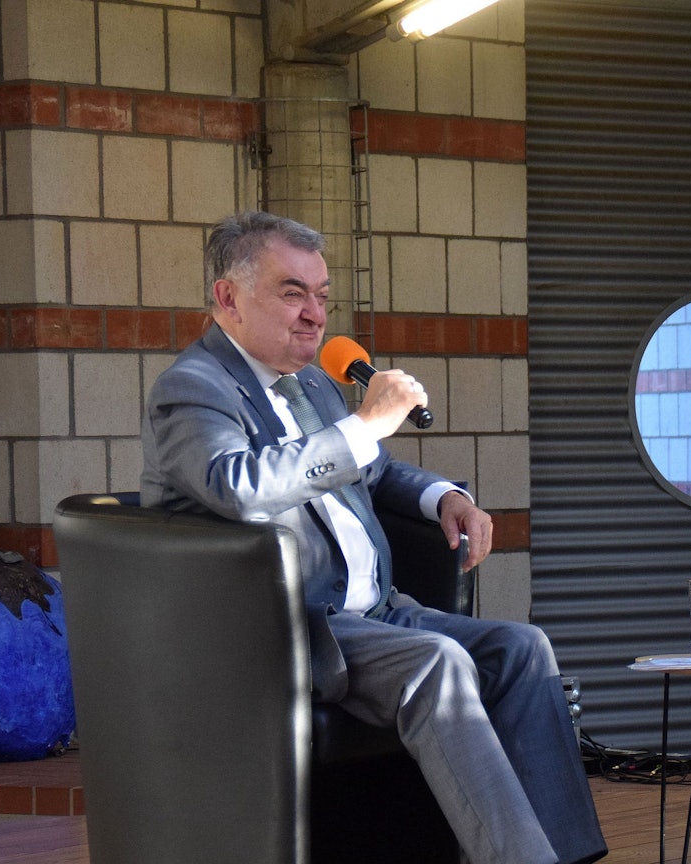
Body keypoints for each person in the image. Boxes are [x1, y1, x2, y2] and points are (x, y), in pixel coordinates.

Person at [140, 211, 607, 864]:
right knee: (438, 666)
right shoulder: (192, 388)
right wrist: (366, 424)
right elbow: (236, 485)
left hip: (379, 613)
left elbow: (377, 469)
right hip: (291, 629)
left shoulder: (311, 386)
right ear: (228, 297)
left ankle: (567, 855)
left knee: (520, 647)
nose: (314, 315)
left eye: (322, 296)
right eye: (291, 292)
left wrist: (440, 495)